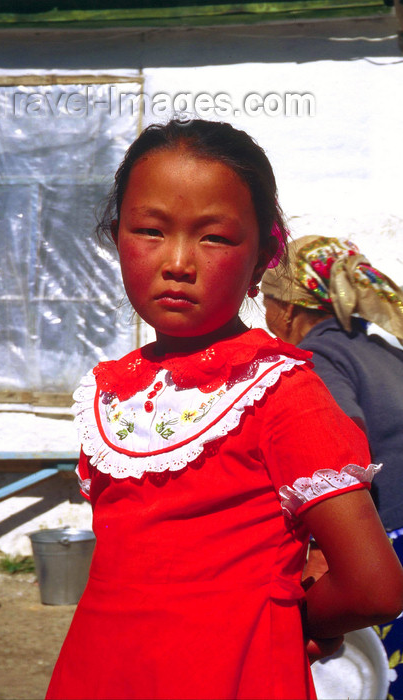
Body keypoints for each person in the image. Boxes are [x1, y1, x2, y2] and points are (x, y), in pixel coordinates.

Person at [46, 120, 403, 700]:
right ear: (116, 237)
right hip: (103, 671)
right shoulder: (111, 394)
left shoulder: (281, 394)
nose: (178, 261)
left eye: (214, 237)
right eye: (150, 231)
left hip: (231, 674)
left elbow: (374, 587)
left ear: (266, 253)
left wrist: (292, 618)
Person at [261, 234, 403, 697]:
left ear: (289, 308)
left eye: (267, 301)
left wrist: (323, 549)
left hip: (380, 551)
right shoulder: (386, 353)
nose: (266, 316)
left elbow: (340, 452)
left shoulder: (322, 357)